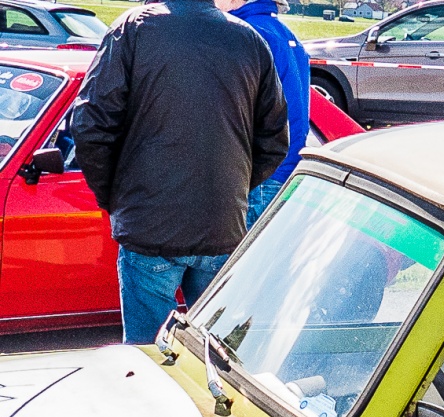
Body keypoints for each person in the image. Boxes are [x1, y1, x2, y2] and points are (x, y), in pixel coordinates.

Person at [72, 0, 289, 344]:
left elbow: (89, 125)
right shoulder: (248, 40)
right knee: (215, 355)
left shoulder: (135, 29)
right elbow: (275, 138)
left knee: (148, 357)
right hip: (218, 223)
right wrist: (231, 190)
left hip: (153, 225)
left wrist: (115, 197)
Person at [215, 0, 310, 228]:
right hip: (285, 169)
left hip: (257, 175)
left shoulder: (245, 33)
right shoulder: (286, 35)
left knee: (236, 260)